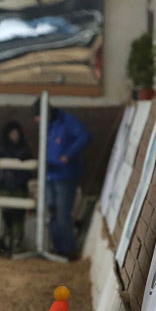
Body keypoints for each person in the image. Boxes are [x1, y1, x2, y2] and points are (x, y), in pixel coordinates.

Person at [33, 99, 92, 260]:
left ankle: (68, 249)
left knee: (62, 212)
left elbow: (85, 136)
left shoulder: (67, 120)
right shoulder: (48, 123)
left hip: (65, 175)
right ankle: (57, 247)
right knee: (52, 211)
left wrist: (68, 154)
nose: (36, 121)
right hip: (49, 174)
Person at [0, 121, 33, 254]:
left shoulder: (24, 149)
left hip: (18, 187)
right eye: (12, 133)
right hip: (5, 186)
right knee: (6, 215)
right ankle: (6, 241)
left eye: (17, 133)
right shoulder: (0, 148)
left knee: (17, 216)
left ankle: (16, 243)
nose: (15, 136)